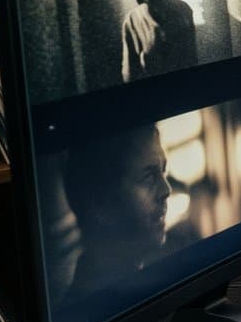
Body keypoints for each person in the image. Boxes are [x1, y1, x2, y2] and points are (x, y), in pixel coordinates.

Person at [61, 124, 173, 299]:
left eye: (163, 171)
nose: (167, 190)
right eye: (148, 176)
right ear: (99, 201)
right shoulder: (86, 309)